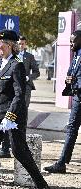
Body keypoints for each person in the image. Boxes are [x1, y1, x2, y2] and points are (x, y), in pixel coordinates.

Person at [0, 29, 49, 189]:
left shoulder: (17, 65)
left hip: (13, 115)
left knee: (19, 151)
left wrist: (10, 116)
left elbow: (19, 94)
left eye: (1, 44)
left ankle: (41, 184)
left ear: (11, 45)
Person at [44, 30, 81, 174]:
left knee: (71, 129)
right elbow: (72, 72)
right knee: (71, 129)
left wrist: (76, 82)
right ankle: (62, 162)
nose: (71, 43)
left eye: (74, 41)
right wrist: (69, 79)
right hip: (77, 97)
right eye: (70, 41)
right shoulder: (76, 55)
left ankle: (61, 163)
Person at [18, 36, 40, 114]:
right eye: (19, 44)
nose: (21, 46)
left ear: (25, 44)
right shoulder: (12, 56)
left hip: (26, 85)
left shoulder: (29, 56)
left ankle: (23, 126)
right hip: (13, 85)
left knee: (24, 108)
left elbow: (37, 72)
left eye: (22, 44)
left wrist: (28, 77)